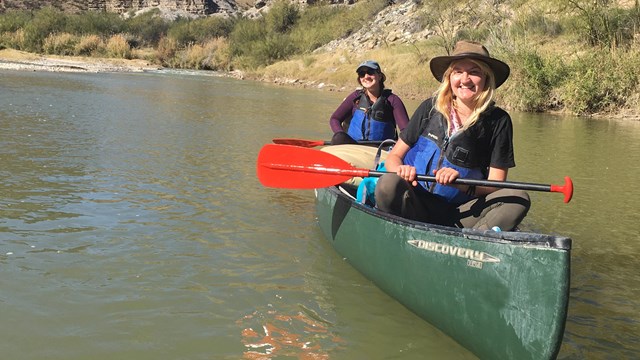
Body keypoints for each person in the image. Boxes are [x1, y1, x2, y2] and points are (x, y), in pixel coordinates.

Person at [374, 40, 530, 231]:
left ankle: (474, 243)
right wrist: (401, 170)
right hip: (415, 202)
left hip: (460, 212)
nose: (465, 79)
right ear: (449, 77)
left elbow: (496, 183)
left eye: (474, 72)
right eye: (458, 71)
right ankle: (399, 230)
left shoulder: (499, 121)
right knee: (388, 182)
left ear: (486, 79)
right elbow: (394, 157)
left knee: (518, 198)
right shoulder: (428, 108)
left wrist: (462, 185)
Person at [328, 60, 410, 145]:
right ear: (360, 79)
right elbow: (335, 119)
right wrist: (342, 136)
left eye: (370, 72)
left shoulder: (392, 100)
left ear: (380, 76)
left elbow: (407, 132)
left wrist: (399, 147)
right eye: (362, 74)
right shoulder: (355, 97)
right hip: (353, 146)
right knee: (338, 137)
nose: (366, 77)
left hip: (382, 148)